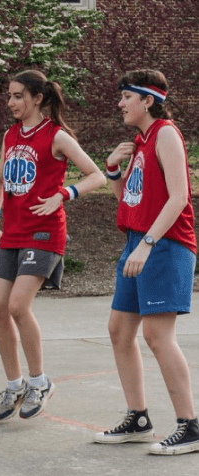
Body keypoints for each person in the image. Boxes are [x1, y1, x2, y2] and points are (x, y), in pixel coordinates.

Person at [0, 70, 105, 421]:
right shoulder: (10, 135)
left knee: (18, 306)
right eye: (9, 96)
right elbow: (1, 181)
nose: (11, 102)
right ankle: (15, 384)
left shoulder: (57, 136)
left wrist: (64, 194)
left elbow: (96, 174)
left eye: (18, 96)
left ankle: (39, 382)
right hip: (14, 233)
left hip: (45, 233)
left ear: (38, 98)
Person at [93, 69, 199, 455]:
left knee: (157, 335)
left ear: (147, 100)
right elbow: (130, 201)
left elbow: (180, 198)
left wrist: (147, 244)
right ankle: (138, 417)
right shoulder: (140, 142)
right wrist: (112, 170)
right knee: (119, 331)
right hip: (140, 242)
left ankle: (190, 426)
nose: (120, 104)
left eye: (126, 97)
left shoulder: (166, 134)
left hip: (165, 244)